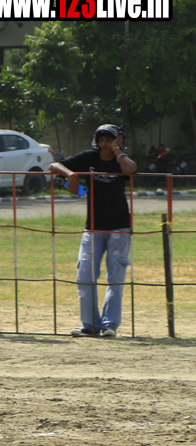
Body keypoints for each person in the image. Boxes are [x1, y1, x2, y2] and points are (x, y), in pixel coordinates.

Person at [49, 124, 137, 338]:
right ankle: (90, 325)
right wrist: (71, 175)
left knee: (115, 278)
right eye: (101, 140)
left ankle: (109, 326)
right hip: (93, 227)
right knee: (84, 275)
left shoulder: (121, 160)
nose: (104, 144)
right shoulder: (89, 157)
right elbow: (54, 166)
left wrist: (117, 150)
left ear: (119, 141)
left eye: (110, 140)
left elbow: (130, 170)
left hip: (119, 227)